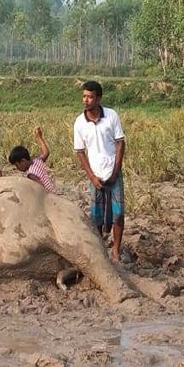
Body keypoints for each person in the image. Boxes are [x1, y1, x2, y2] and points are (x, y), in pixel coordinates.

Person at [73, 80, 126, 262]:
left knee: (118, 214)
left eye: (90, 97)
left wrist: (115, 171)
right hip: (95, 176)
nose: (86, 100)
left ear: (98, 98)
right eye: (84, 96)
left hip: (113, 174)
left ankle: (116, 251)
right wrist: (92, 176)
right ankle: (100, 250)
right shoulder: (80, 123)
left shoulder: (111, 116)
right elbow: (80, 152)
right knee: (96, 217)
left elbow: (120, 143)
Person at [8, 126, 55, 192]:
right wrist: (39, 137)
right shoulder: (37, 160)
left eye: (17, 165)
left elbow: (41, 189)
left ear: (23, 161)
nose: (17, 168)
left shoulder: (31, 174)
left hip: (48, 196)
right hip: (53, 190)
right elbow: (46, 153)